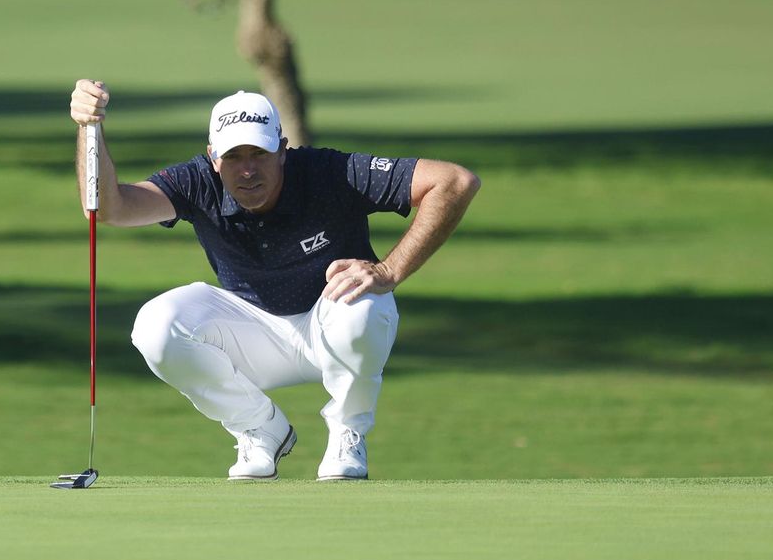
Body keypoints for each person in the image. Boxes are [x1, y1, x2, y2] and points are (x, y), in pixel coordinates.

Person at [69, 79, 480, 481]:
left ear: (283, 150)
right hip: (251, 335)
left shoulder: (331, 172)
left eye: (259, 154)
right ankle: (260, 428)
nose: (248, 170)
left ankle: (347, 433)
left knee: (360, 301)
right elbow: (110, 208)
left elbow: (454, 181)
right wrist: (90, 129)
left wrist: (389, 270)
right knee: (155, 326)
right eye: (234, 156)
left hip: (333, 324)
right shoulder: (197, 181)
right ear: (213, 157)